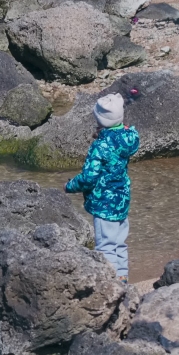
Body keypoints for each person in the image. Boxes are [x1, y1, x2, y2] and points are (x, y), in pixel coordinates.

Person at [64, 93, 140, 284]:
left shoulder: (100, 146)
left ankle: (110, 283)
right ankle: (123, 278)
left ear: (100, 119)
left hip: (104, 204)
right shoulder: (129, 138)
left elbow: (89, 178)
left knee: (105, 245)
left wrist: (70, 185)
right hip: (122, 201)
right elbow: (128, 132)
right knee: (119, 243)